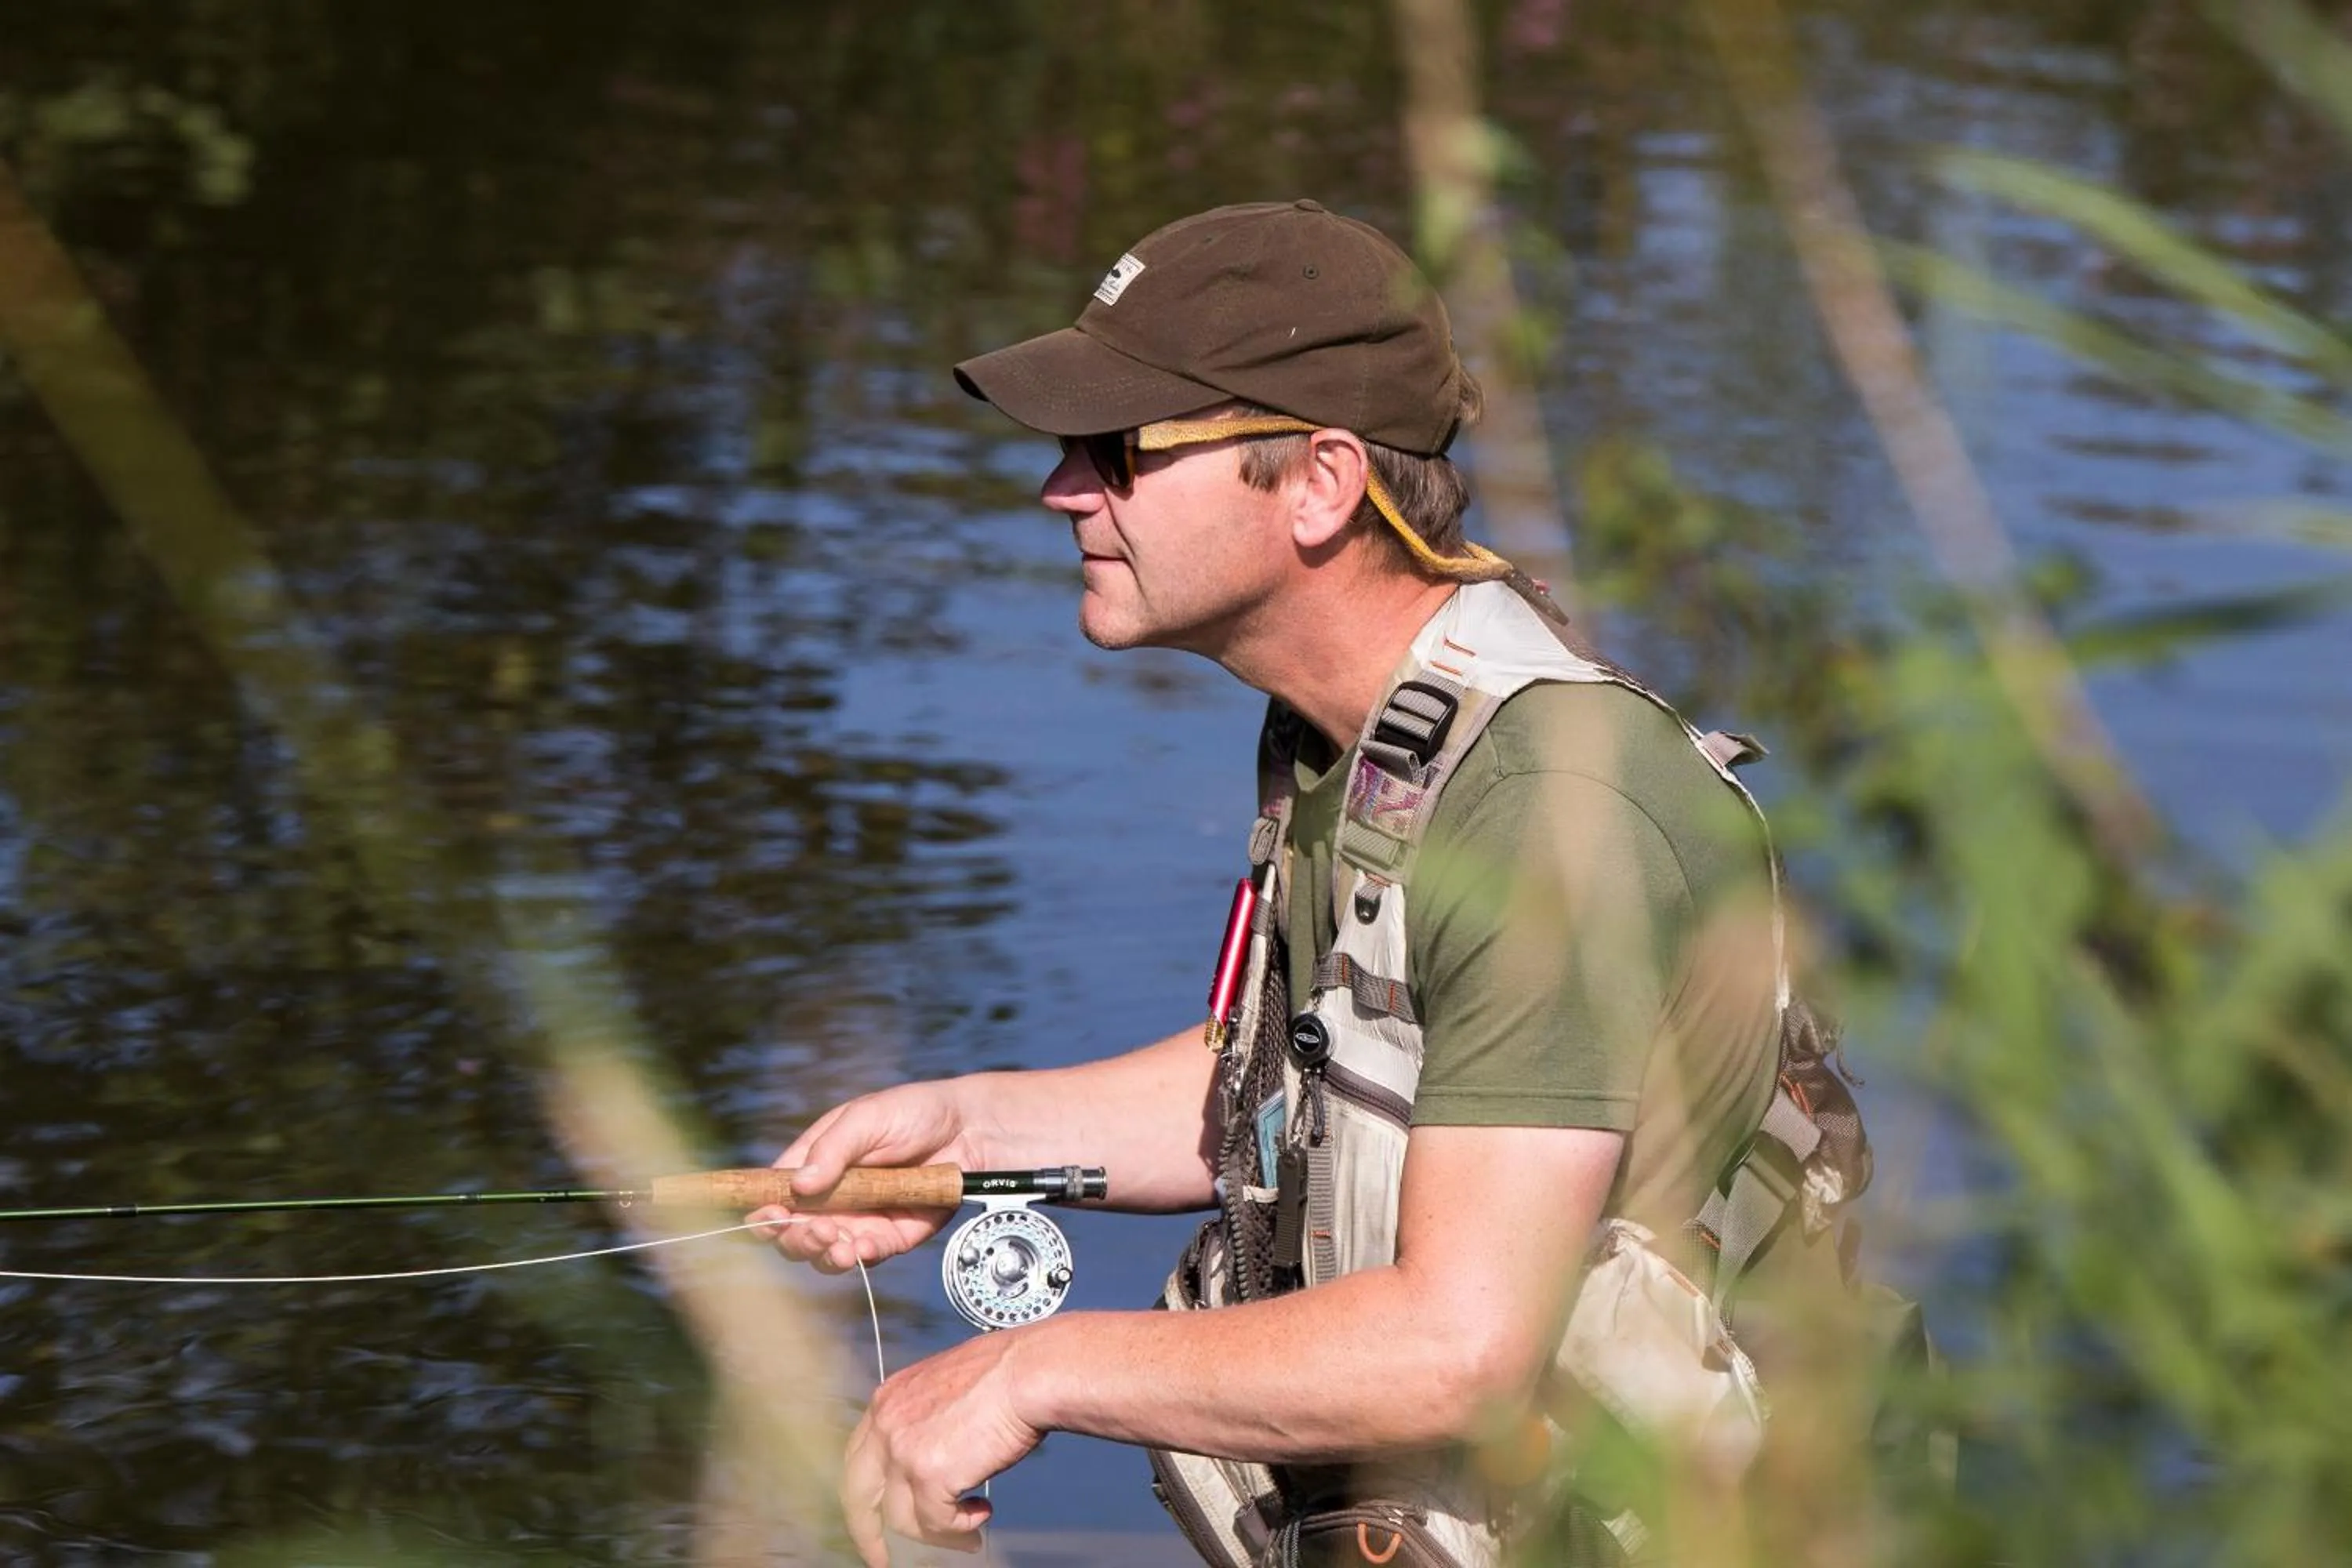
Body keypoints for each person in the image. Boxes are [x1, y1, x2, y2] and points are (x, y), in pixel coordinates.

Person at [759, 199, 1807, 1568]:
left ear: (1318, 483)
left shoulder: (1550, 808)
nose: (1062, 489)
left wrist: (1028, 1374)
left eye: (1120, 450)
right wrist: (963, 1139)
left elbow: (1462, 1348)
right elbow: (1298, 1085)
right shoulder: (1352, 744)